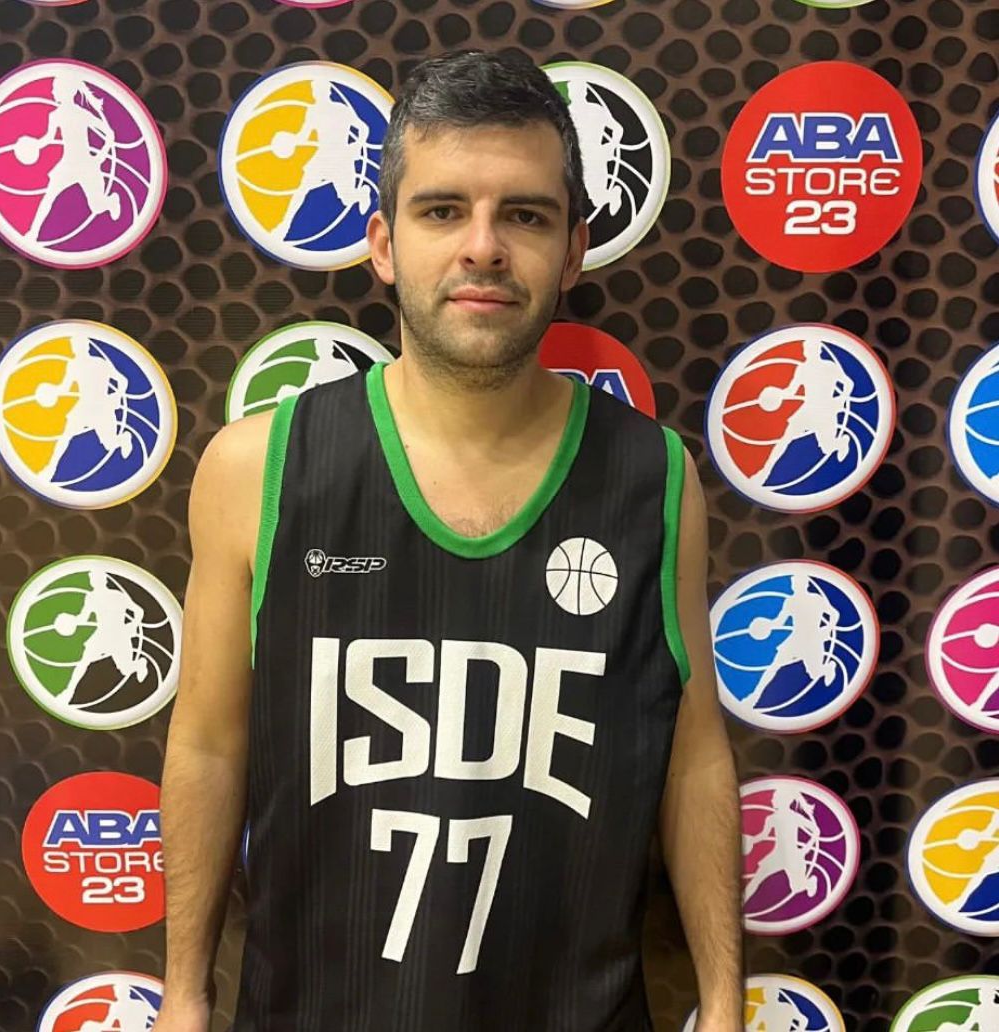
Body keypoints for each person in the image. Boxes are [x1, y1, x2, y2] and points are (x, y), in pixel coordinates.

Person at [152, 51, 743, 1032]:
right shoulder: (258, 468)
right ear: (383, 245)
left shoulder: (658, 478)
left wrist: (724, 1002)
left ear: (574, 250)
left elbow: (692, 755)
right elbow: (210, 744)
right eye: (442, 211)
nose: (483, 248)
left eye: (525, 215)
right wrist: (183, 993)